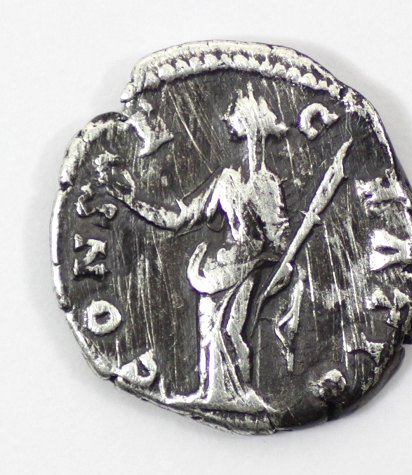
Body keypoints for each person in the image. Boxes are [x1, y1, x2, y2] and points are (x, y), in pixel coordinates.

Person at [97, 84, 303, 410]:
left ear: (249, 121)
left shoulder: (267, 184)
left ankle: (239, 396)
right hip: (220, 268)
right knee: (210, 329)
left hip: (245, 268)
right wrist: (131, 199)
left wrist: (262, 261)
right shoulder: (226, 180)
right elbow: (179, 217)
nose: (226, 118)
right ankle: (213, 394)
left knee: (230, 330)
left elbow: (280, 241)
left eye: (233, 113)